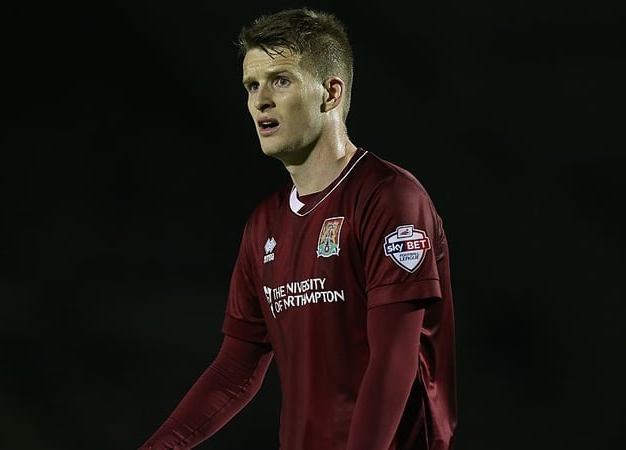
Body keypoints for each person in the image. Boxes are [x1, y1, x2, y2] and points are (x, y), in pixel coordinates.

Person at [138, 7, 457, 450]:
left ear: (330, 93)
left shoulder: (390, 198)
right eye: (252, 85)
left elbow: (393, 362)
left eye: (280, 80)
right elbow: (236, 370)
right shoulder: (263, 225)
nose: (260, 101)